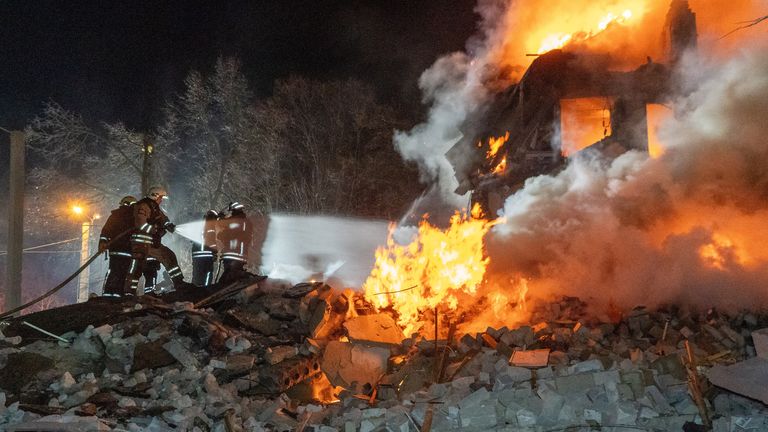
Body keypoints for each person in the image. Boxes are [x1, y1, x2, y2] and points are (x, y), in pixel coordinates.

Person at [124, 186, 188, 295]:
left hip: (150, 243)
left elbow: (162, 219)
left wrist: (168, 225)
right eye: (161, 197)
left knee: (169, 256)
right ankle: (129, 292)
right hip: (139, 243)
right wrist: (155, 230)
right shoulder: (143, 206)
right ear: (155, 196)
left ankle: (179, 283)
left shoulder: (154, 207)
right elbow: (140, 224)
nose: (161, 200)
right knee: (136, 268)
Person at [98, 195, 137, 297]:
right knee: (123, 273)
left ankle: (108, 293)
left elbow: (105, 231)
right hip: (127, 250)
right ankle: (117, 294)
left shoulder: (115, 216)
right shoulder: (134, 217)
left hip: (115, 249)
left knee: (114, 270)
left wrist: (103, 242)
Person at [217, 202, 253, 285]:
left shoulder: (235, 221)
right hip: (241, 254)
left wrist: (221, 218)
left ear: (233, 210)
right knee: (234, 274)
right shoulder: (246, 222)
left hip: (232, 253)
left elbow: (225, 227)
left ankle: (227, 289)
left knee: (230, 276)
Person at [192, 209, 219, 286]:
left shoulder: (200, 225)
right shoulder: (210, 226)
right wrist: (214, 253)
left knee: (197, 274)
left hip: (196, 255)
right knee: (208, 274)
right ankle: (205, 290)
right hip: (206, 255)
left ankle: (195, 291)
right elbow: (212, 241)